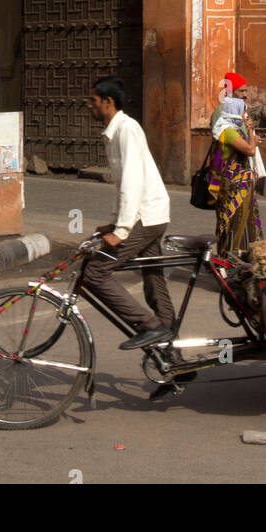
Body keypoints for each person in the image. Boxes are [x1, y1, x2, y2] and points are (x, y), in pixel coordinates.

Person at [83, 77, 176, 350]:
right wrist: (113, 223)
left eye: (93, 101)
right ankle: (175, 362)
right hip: (149, 215)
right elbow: (122, 184)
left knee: (95, 272)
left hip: (145, 217)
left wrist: (121, 230)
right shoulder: (114, 132)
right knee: (154, 284)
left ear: (108, 102)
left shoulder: (127, 129)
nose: (89, 106)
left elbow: (132, 180)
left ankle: (150, 326)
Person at [208, 77, 264, 257]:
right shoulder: (224, 124)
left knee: (245, 223)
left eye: (246, 92)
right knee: (232, 224)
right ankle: (229, 264)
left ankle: (242, 261)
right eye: (241, 91)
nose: (245, 97)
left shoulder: (238, 119)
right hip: (232, 182)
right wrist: (251, 139)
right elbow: (247, 149)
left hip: (242, 181)